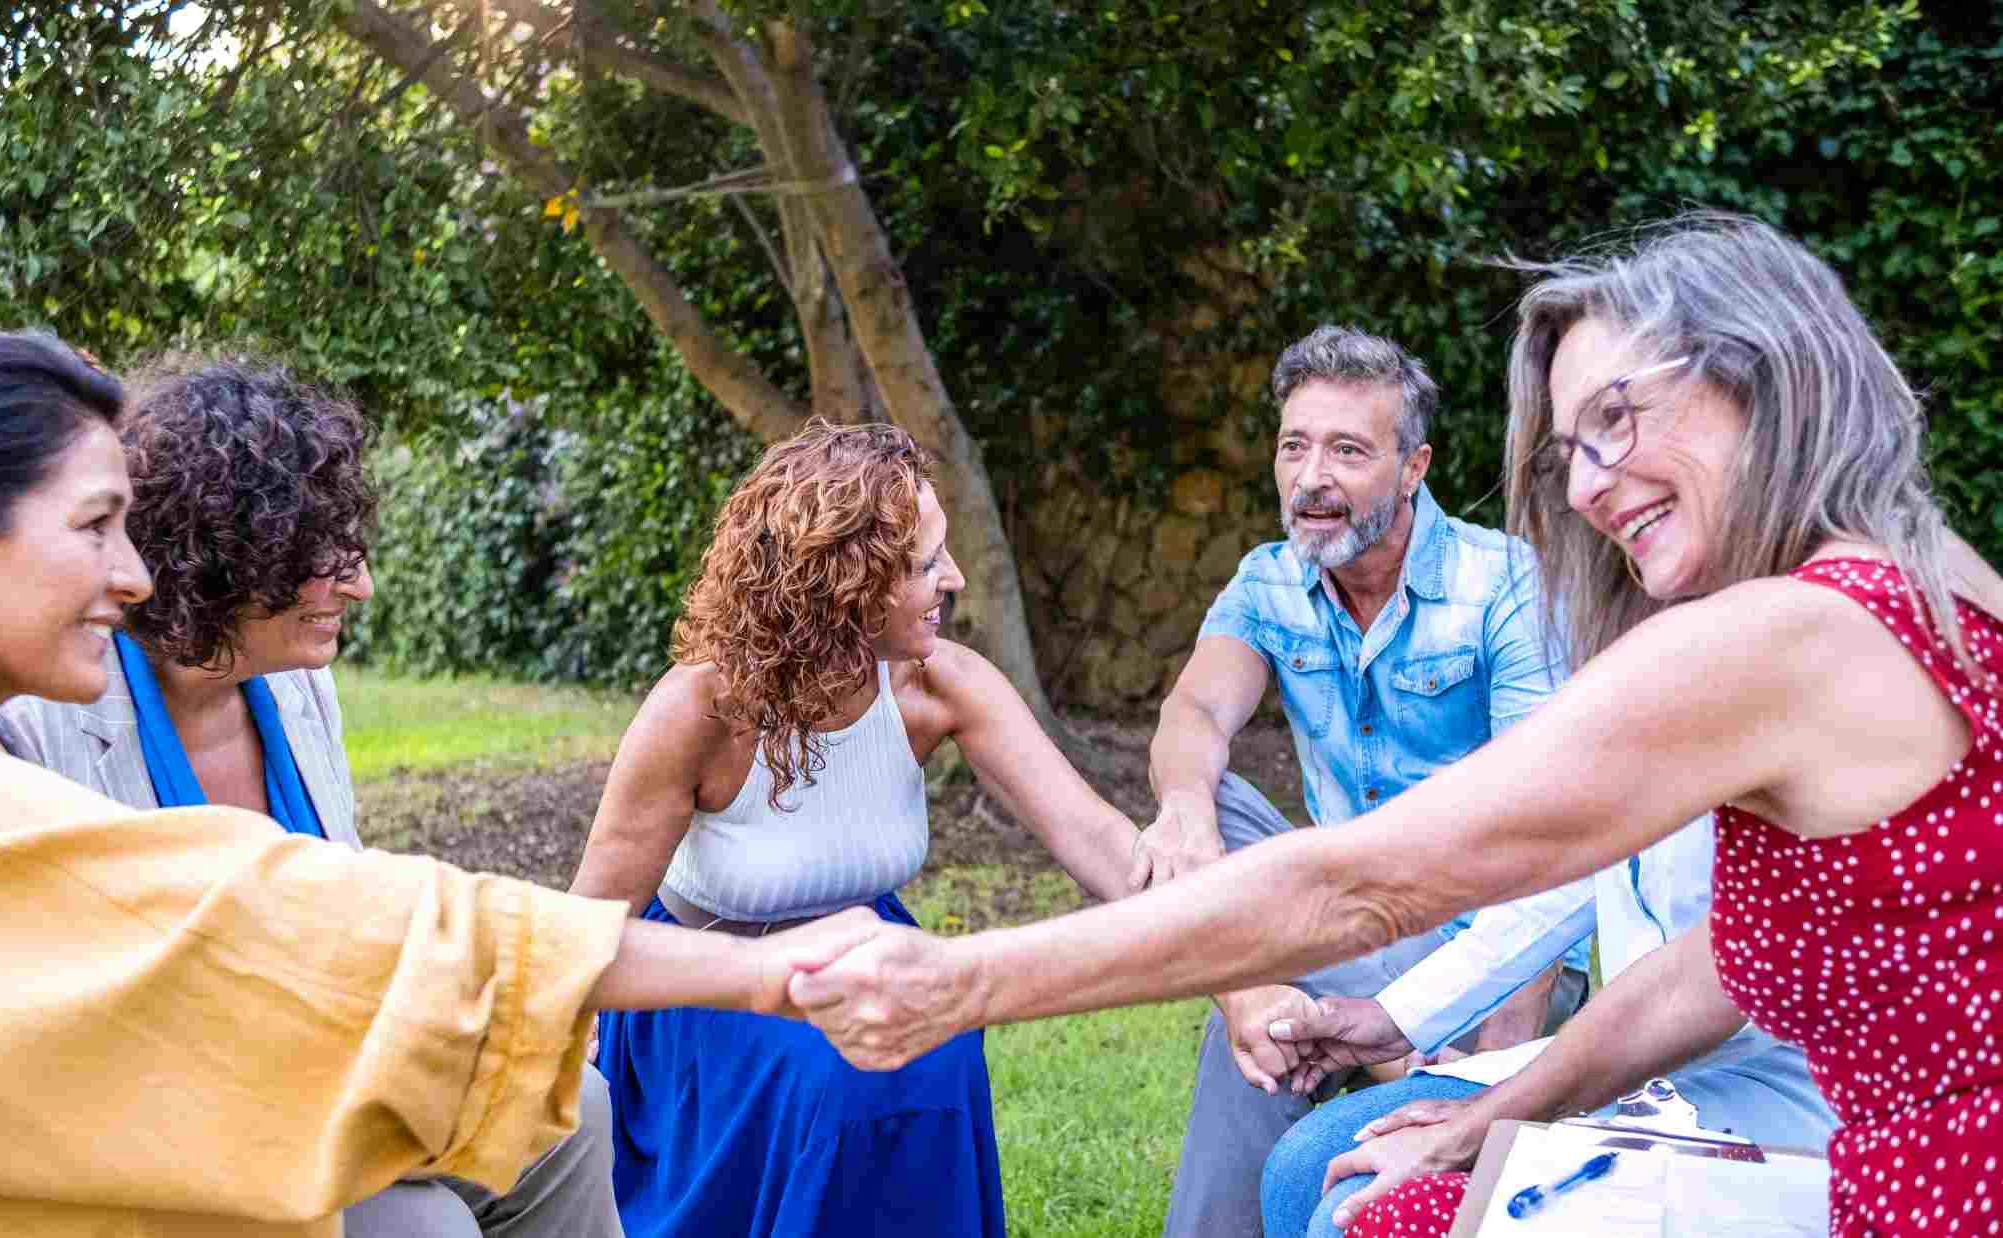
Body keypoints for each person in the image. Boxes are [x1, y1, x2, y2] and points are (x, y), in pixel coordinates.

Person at [785, 214, 2003, 1238]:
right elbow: (1716, 956)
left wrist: (966, 976)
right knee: (1355, 1162)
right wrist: (1492, 1112)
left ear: (1758, 371)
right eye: (1571, 448)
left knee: (1372, 1203)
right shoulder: (1938, 576)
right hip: (1891, 1156)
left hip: (1916, 1190)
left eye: (1618, 417)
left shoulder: (1769, 637)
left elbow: (1366, 883)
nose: (1583, 485)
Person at [0, 273, 876, 1236]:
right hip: (180, 1111)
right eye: (93, 527)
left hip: (261, 1057)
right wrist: (755, 967)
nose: (130, 575)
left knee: (565, 1108)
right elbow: (282, 914)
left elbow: (334, 901)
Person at [0, 354, 622, 1238]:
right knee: (423, 1230)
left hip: (321, 1071)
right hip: (166, 1121)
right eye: (322, 560)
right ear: (219, 559)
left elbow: (345, 915)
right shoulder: (44, 720)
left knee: (569, 1105)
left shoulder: (296, 684)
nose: (358, 585)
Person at [568, 419, 1152, 1238]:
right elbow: (589, 921)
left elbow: (1096, 837)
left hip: (870, 952)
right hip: (710, 986)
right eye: (924, 565)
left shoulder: (937, 685)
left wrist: (1239, 971)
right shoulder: (702, 709)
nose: (953, 579)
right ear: (846, 581)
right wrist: (559, 1033)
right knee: (836, 1075)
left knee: (938, 1049)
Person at [1142, 325, 1590, 1238]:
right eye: (1294, 446)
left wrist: (1490, 1076)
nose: (1312, 479)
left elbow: (1543, 830)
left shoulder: (1502, 585)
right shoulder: (1269, 582)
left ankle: (1296, 1015)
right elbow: (1193, 715)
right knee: (1207, 799)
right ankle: (1260, 1001)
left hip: (1488, 948)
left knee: (1266, 1014)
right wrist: (1185, 814)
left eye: (1348, 450)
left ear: (1413, 465)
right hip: (1339, 921)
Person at [1253, 812, 1836, 1237]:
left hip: (1772, 1086)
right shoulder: (1636, 701)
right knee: (1303, 1162)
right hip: (1620, 1064)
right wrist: (1398, 1016)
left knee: (1354, 1209)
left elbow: (1692, 993)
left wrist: (1486, 1124)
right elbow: (1567, 873)